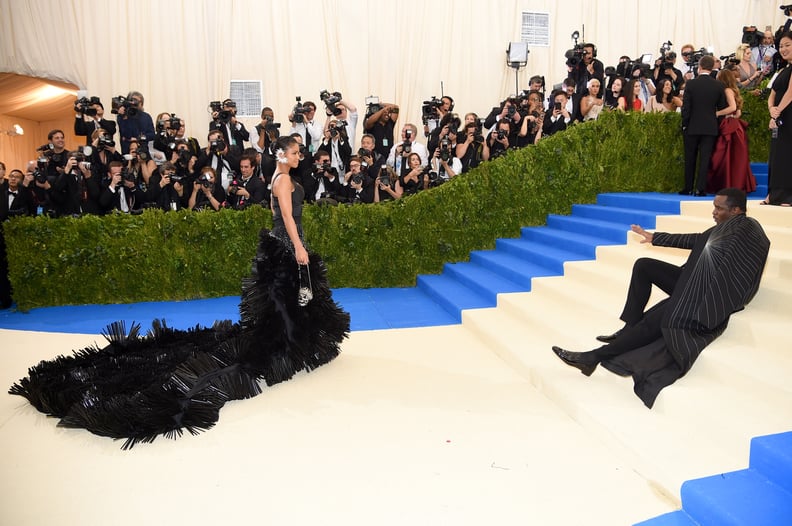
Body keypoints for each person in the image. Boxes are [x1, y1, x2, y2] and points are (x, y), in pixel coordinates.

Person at [9, 134, 350, 449]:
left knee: (285, 301)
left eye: (297, 153)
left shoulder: (275, 177)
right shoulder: (285, 179)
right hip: (288, 243)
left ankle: (289, 345)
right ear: (282, 155)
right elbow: (289, 218)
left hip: (278, 243)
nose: (298, 156)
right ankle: (287, 348)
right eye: (294, 152)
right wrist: (299, 248)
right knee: (289, 298)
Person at [551, 188, 770, 408]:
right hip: (694, 283)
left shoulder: (745, 230)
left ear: (736, 210)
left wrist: (708, 300)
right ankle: (629, 327)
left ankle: (593, 357)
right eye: (714, 206)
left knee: (659, 319)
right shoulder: (729, 228)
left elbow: (739, 272)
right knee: (644, 266)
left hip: (706, 295)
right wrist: (655, 237)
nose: (713, 212)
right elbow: (699, 240)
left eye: (719, 208)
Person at [680, 54, 726, 196]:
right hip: (710, 127)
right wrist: (716, 122)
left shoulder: (691, 84)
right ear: (712, 68)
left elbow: (686, 108)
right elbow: (722, 108)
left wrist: (685, 124)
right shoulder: (718, 85)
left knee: (690, 158)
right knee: (705, 159)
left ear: (699, 67)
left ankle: (688, 187)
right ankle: (700, 189)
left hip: (692, 126)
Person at [706, 69, 755, 194]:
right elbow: (737, 112)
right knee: (734, 158)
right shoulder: (733, 91)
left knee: (724, 156)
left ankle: (726, 184)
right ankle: (734, 183)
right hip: (735, 126)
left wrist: (717, 113)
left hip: (729, 127)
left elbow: (732, 107)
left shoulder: (727, 90)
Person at [765, 31, 792, 206]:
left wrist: (778, 111)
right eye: (781, 46)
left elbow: (790, 93)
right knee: (776, 155)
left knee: (788, 155)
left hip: (788, 116)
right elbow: (771, 94)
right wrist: (771, 111)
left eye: (787, 45)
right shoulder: (782, 70)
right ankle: (773, 194)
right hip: (779, 117)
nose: (783, 49)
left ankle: (788, 195)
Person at [116, 91, 156, 155]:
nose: (134, 103)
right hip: (127, 151)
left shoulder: (146, 117)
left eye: (137, 101)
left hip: (143, 150)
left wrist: (139, 138)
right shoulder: (122, 116)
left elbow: (152, 135)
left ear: (141, 104)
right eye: (132, 100)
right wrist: (125, 116)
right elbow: (125, 134)